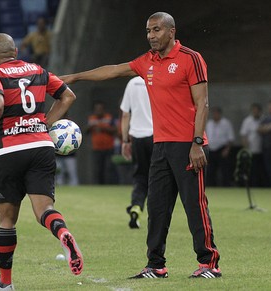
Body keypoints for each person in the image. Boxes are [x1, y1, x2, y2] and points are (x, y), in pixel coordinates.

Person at [60, 12, 221, 279]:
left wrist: (196, 143)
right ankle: (155, 265)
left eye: (156, 30)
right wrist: (75, 77)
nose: (151, 36)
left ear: (171, 31)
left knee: (195, 205)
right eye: (148, 31)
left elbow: (202, 102)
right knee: (157, 208)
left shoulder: (191, 58)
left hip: (186, 145)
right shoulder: (147, 61)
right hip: (160, 145)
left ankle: (209, 263)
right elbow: (113, 70)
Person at [0, 33, 83, 291]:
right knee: (44, 210)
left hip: (9, 150)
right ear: (15, 50)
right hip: (41, 146)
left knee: (6, 220)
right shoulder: (39, 70)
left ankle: (5, 283)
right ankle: (62, 232)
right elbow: (68, 96)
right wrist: (44, 123)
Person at [120, 76, 153, 229]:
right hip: (157, 136)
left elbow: (126, 114)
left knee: (140, 176)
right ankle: (156, 216)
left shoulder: (132, 82)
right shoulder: (159, 78)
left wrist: (125, 141)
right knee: (159, 178)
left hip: (138, 138)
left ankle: (136, 206)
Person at [86, 101, 118, 184]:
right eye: (97, 109)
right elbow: (86, 131)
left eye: (100, 109)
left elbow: (115, 129)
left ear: (103, 110)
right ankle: (98, 186)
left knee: (108, 168)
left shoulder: (109, 118)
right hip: (96, 148)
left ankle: (109, 185)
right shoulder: (92, 118)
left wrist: (103, 128)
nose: (98, 111)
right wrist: (91, 127)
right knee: (98, 169)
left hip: (108, 147)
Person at [205, 106, 235, 186]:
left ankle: (226, 186)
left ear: (219, 114)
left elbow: (230, 138)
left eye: (216, 113)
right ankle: (211, 186)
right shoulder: (209, 123)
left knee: (224, 170)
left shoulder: (226, 123)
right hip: (211, 149)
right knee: (210, 170)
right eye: (213, 113)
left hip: (222, 149)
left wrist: (227, 149)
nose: (215, 115)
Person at [239, 103, 267, 187]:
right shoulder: (247, 121)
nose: (255, 112)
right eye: (253, 111)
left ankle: (261, 186)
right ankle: (251, 185)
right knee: (252, 171)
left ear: (260, 111)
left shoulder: (264, 120)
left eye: (257, 111)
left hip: (262, 150)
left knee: (261, 171)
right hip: (251, 150)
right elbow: (244, 135)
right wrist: (246, 149)